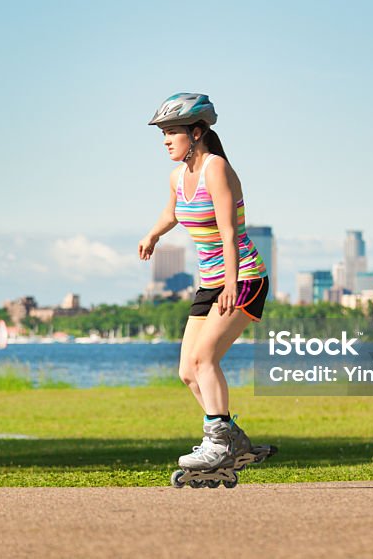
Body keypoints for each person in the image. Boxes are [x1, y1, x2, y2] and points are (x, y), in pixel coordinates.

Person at [138, 93, 269, 473]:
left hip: (242, 277)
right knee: (186, 371)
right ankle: (234, 440)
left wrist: (231, 283)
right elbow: (171, 212)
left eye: (172, 132)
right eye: (162, 133)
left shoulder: (217, 169)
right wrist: (153, 234)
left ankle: (218, 444)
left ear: (197, 133)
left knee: (204, 358)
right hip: (211, 283)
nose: (165, 140)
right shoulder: (178, 176)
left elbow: (229, 233)